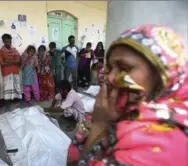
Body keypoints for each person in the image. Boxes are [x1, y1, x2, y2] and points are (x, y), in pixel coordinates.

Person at [67, 25, 188, 166]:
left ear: (163, 76)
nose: (110, 77)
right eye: (110, 68)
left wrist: (99, 125)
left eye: (124, 68)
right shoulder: (121, 110)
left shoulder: (161, 143)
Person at [0, 34, 22, 101]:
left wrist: (7, 61)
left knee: (16, 85)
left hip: (15, 71)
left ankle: (17, 99)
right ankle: (8, 101)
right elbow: (2, 63)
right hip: (6, 72)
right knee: (7, 86)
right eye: (6, 42)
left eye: (9, 41)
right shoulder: (0, 51)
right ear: (3, 42)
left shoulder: (14, 50)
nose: (8, 43)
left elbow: (19, 60)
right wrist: (13, 61)